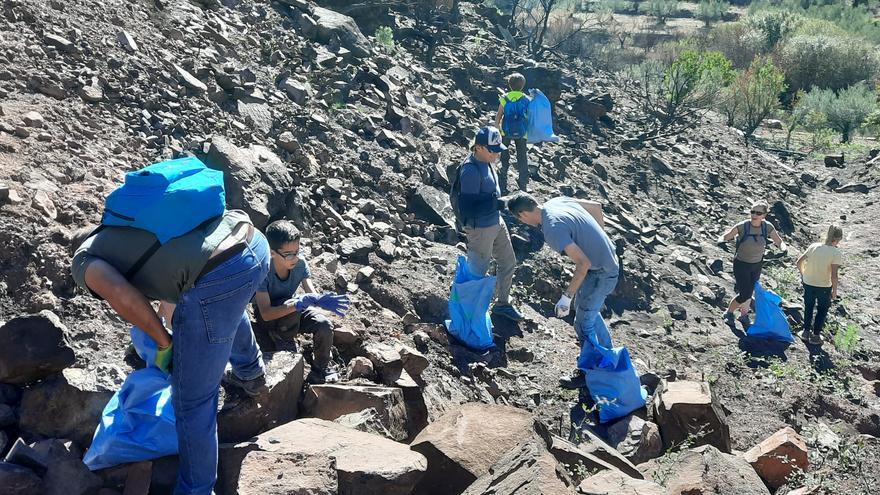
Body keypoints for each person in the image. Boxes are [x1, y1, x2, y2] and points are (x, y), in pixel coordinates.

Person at [71, 209, 269, 495]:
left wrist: (165, 343)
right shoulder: (129, 229)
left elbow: (124, 296)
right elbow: (172, 289)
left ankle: (196, 491)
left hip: (220, 270)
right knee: (224, 304)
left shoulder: (84, 261)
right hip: (251, 243)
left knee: (192, 402)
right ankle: (251, 373)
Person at [507, 193, 618, 389]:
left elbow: (583, 264)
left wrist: (566, 297)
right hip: (606, 262)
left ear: (522, 214)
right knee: (586, 313)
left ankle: (589, 372)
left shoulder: (552, 229)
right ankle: (609, 358)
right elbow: (596, 207)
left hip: (601, 272)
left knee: (583, 323)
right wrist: (600, 240)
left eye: (519, 218)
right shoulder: (556, 202)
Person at [253, 220, 349, 384]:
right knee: (294, 304)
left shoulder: (300, 264)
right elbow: (266, 313)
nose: (295, 258)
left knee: (324, 325)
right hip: (269, 318)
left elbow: (310, 293)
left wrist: (319, 299)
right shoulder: (262, 270)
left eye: (297, 251)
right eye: (289, 254)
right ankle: (282, 339)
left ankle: (321, 368)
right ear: (272, 252)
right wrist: (298, 303)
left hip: (292, 311)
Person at [453, 125, 524, 322]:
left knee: (508, 262)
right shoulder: (470, 170)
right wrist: (498, 203)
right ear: (480, 147)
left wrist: (498, 205)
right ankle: (466, 313)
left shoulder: (487, 161)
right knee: (477, 270)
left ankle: (502, 304)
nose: (497, 154)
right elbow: (468, 207)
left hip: (495, 222)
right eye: (493, 150)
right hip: (480, 229)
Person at [717, 201, 787, 326]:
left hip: (756, 265)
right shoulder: (743, 226)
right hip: (741, 264)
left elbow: (779, 241)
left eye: (758, 213)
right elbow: (726, 236)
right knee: (745, 293)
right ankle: (729, 312)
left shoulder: (767, 227)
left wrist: (784, 249)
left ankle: (744, 316)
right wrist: (721, 241)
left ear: (764, 215)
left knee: (749, 291)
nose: (754, 215)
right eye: (752, 211)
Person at [796, 225, 843, 345]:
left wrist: (803, 275)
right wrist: (834, 292)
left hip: (808, 283)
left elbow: (799, 262)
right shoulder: (835, 253)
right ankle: (816, 336)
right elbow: (834, 275)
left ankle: (806, 332)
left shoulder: (814, 246)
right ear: (838, 239)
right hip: (823, 286)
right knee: (822, 309)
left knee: (809, 306)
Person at [494, 72, 531, 194]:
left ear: (509, 85)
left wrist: (497, 128)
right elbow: (530, 117)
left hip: (506, 130)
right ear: (523, 85)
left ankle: (503, 173)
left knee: (504, 152)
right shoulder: (527, 99)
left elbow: (499, 115)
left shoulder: (504, 98)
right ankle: (523, 181)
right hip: (522, 132)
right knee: (522, 155)